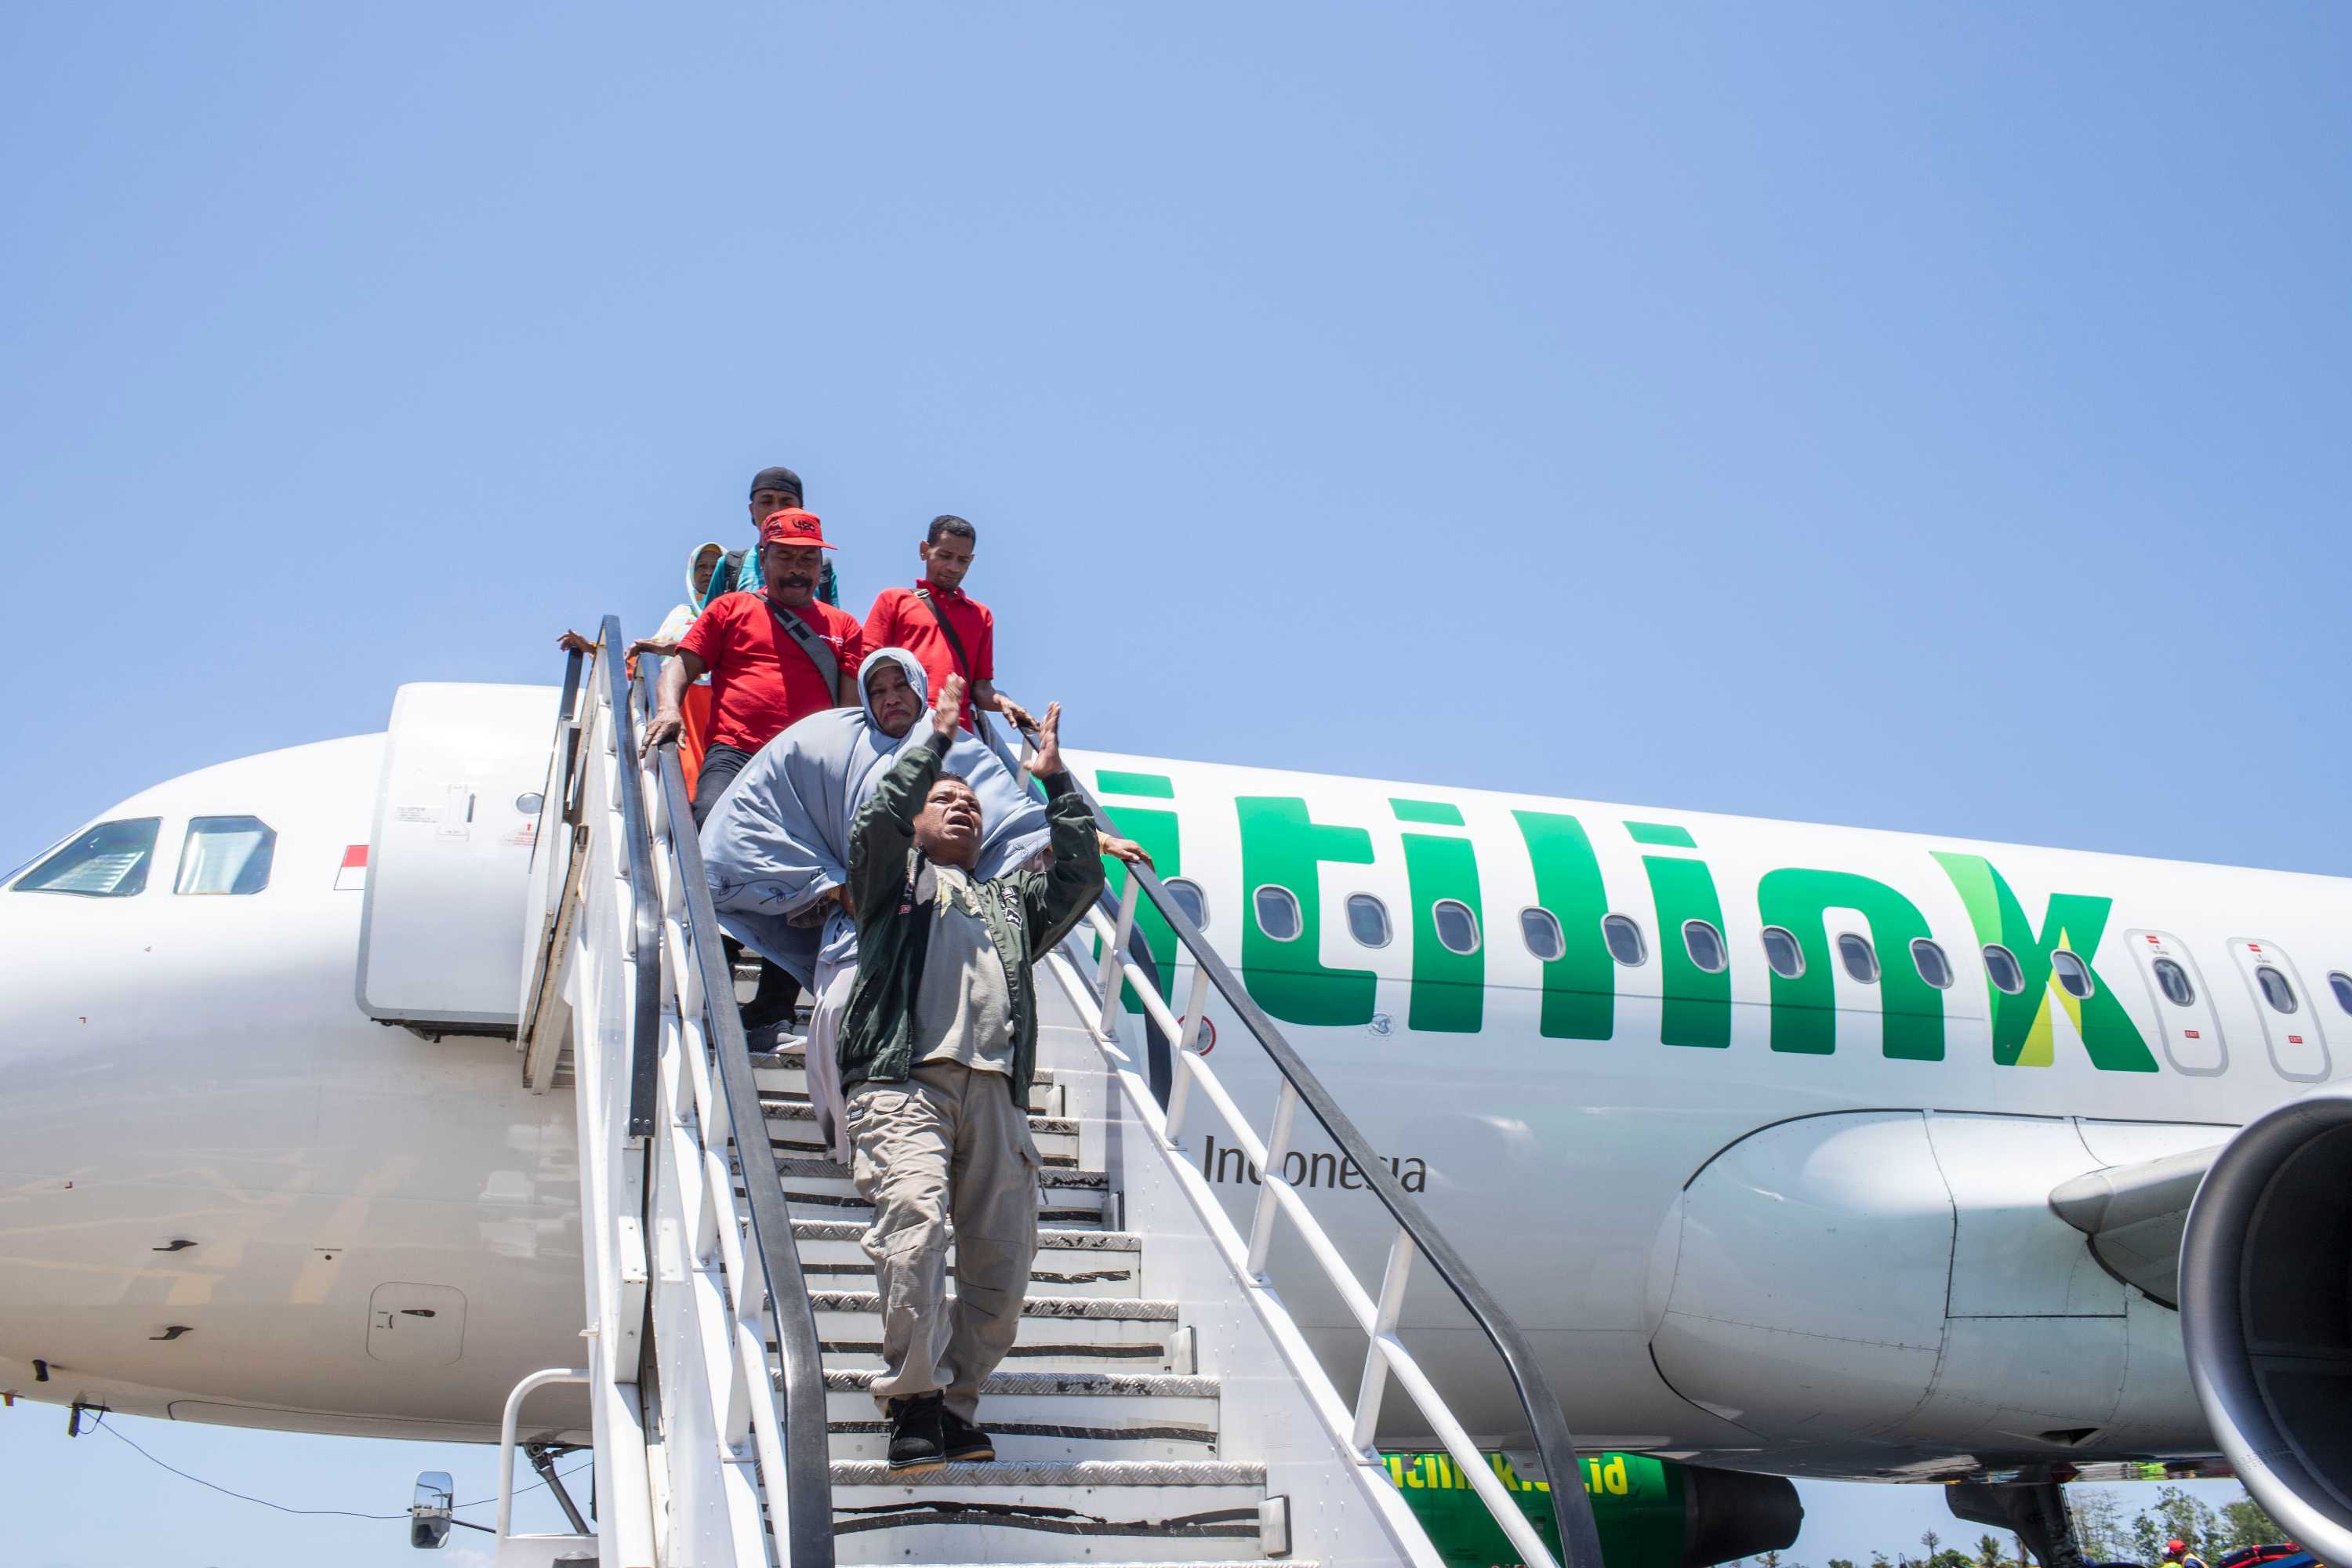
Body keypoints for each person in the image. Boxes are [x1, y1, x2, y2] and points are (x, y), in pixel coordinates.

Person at [699, 650, 1149, 1159]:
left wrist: (1097, 841)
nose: (891, 698)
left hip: (944, 924)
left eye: (901, 686)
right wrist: (826, 884)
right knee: (840, 1009)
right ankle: (854, 1146)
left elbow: (1016, 822)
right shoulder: (831, 741)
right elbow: (755, 816)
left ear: (920, 687)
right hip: (864, 926)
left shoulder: (962, 749)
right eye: (878, 690)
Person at [837, 673, 1103, 1472]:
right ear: (919, 819)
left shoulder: (1008, 903)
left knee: (1002, 1259)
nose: (962, 805)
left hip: (994, 1092)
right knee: (916, 1228)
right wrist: (940, 740)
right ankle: (912, 1399)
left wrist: (1056, 780)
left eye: (974, 802)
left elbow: (1081, 873)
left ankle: (956, 1402)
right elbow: (882, 815)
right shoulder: (891, 884)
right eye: (945, 798)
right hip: (905, 1082)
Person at [643, 508, 865, 823]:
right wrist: (668, 709)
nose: (797, 570)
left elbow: (850, 714)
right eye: (785, 557)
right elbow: (680, 667)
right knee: (708, 821)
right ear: (763, 558)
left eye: (808, 560)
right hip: (735, 754)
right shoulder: (729, 609)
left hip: (810, 766)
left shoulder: (845, 627)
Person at [862, 514, 1033, 735]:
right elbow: (867, 669)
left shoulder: (980, 615)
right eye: (945, 556)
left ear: (971, 561)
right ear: (924, 550)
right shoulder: (894, 600)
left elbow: (981, 689)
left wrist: (1003, 701)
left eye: (962, 560)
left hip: (960, 734)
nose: (953, 567)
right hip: (904, 728)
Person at [702, 466, 840, 610]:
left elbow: (834, 626)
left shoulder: (822, 569)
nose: (776, 509)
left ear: (801, 510)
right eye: (766, 502)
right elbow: (709, 626)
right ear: (752, 510)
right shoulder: (730, 566)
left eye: (786, 502)